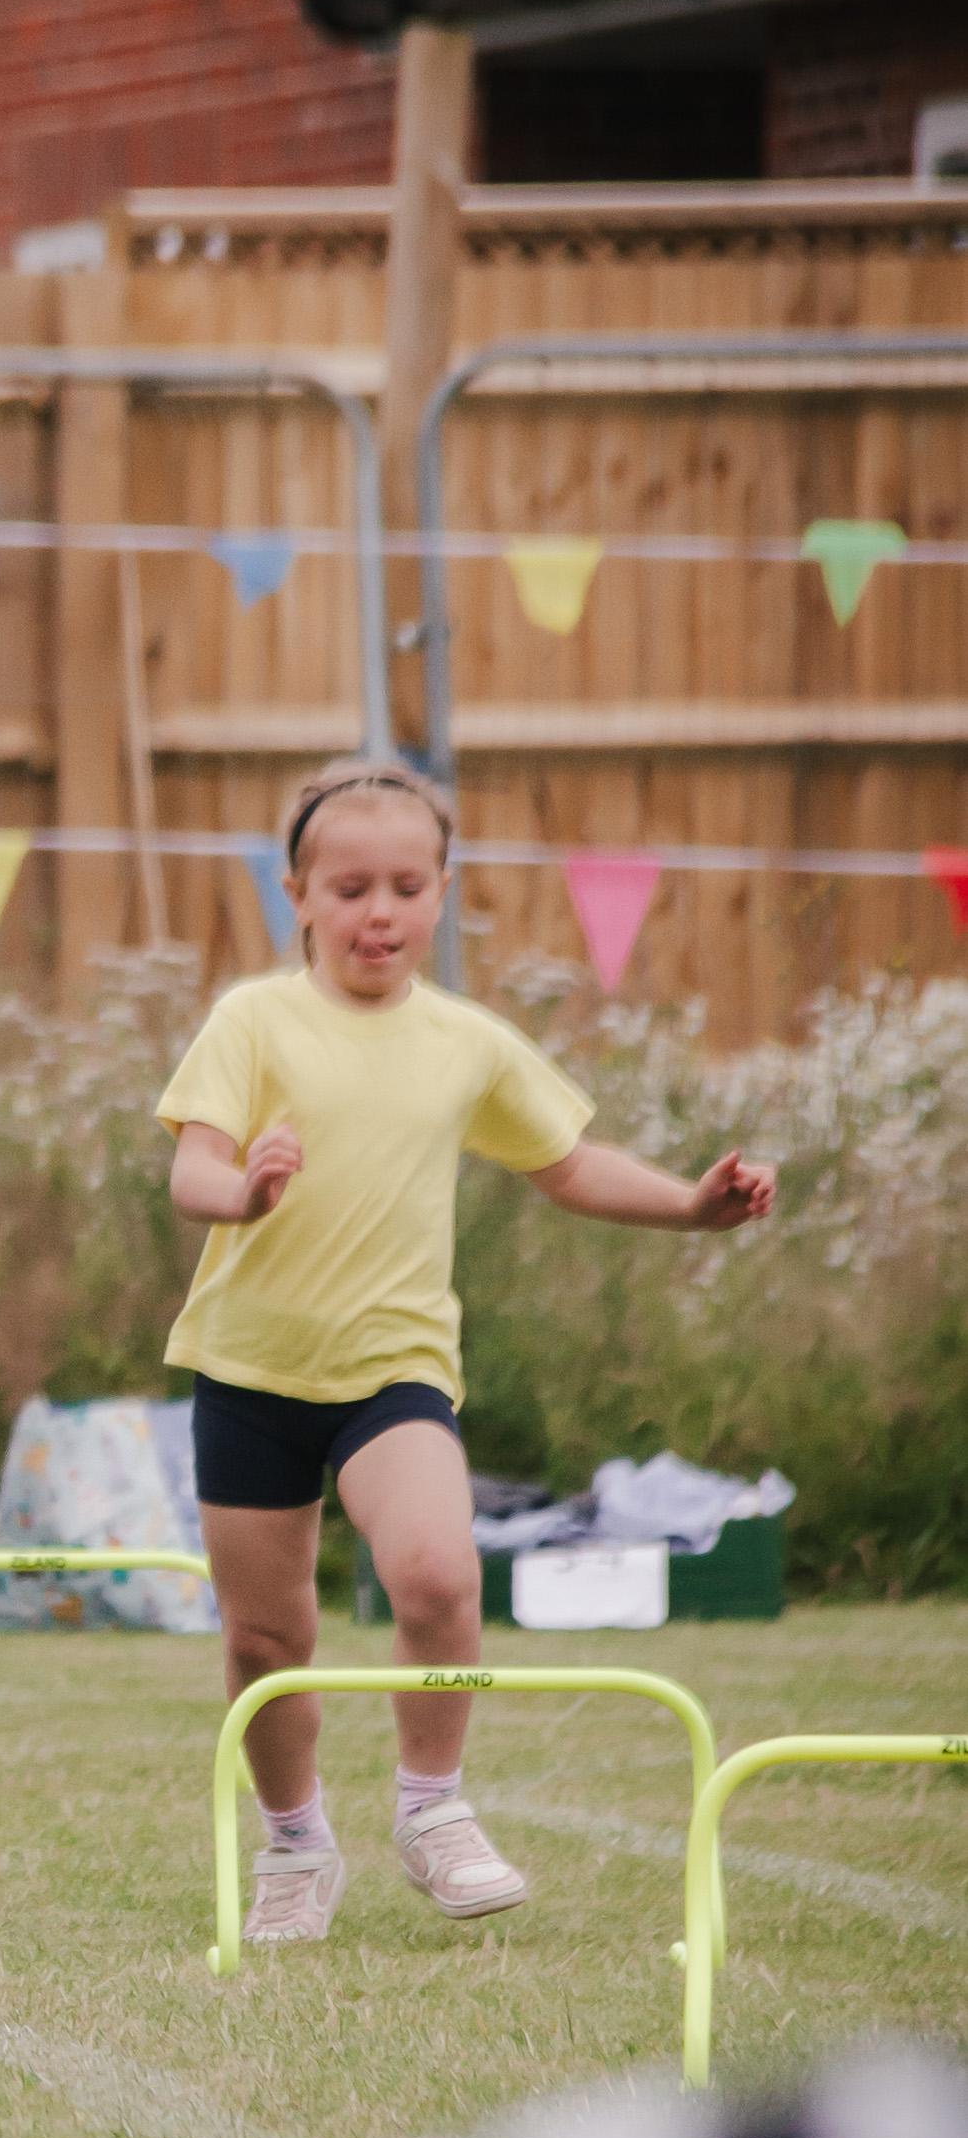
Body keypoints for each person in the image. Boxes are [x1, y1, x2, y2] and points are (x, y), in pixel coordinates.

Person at [158, 755, 774, 1949]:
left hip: (395, 1371)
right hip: (247, 1371)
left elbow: (569, 1164)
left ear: (442, 893)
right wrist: (244, 1192)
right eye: (349, 889)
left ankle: (432, 1809)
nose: (378, 912)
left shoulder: (467, 1043)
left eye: (405, 887)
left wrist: (690, 1208)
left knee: (439, 1574)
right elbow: (193, 1168)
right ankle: (295, 1843)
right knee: (266, 1639)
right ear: (298, 894)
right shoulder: (252, 1021)